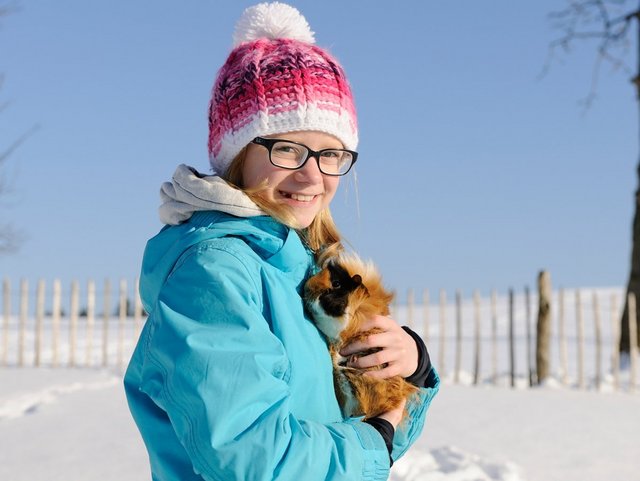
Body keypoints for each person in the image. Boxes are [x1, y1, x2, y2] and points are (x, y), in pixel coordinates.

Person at [124, 3, 439, 480]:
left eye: (331, 153)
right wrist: (373, 441)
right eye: (287, 148)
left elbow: (376, 428)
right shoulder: (214, 271)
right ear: (238, 154)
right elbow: (254, 461)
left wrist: (408, 368)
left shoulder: (308, 270)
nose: (312, 174)